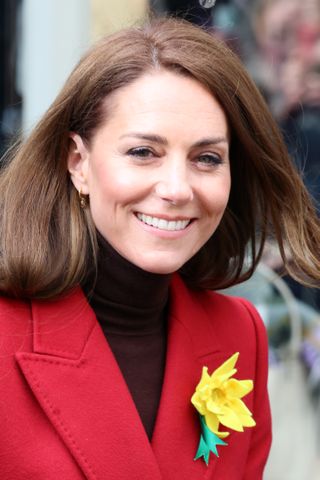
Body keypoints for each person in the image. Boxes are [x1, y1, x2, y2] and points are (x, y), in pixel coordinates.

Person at [0, 17, 319, 480]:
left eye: (206, 159)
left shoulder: (239, 335)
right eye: (143, 152)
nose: (176, 188)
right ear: (78, 163)